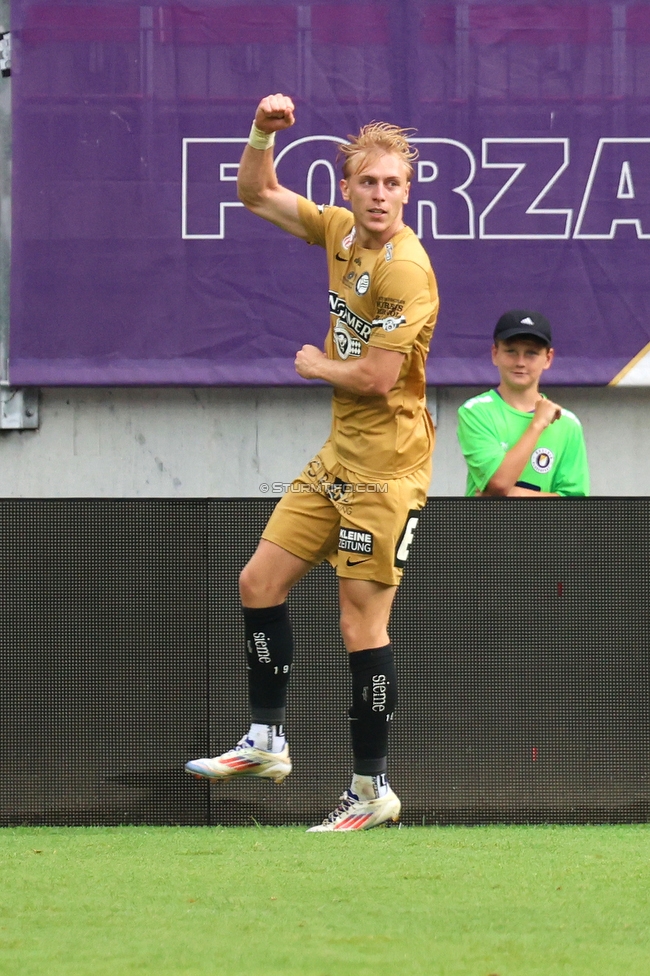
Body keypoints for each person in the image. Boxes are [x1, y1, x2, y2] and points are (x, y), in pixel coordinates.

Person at [185, 93, 439, 830]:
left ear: (408, 191)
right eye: (369, 182)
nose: (381, 195)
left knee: (361, 628)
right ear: (348, 189)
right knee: (258, 580)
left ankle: (370, 790)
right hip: (338, 457)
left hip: (388, 472)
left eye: (393, 184)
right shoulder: (339, 234)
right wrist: (264, 130)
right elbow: (255, 192)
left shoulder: (407, 272)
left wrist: (315, 364)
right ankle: (266, 740)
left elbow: (378, 378)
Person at [456, 310, 589, 498]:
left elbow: (576, 503)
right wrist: (537, 424)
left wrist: (518, 495)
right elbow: (499, 484)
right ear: (495, 354)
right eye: (511, 351)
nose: (520, 362)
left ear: (548, 359)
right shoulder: (476, 412)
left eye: (531, 353)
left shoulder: (568, 424)